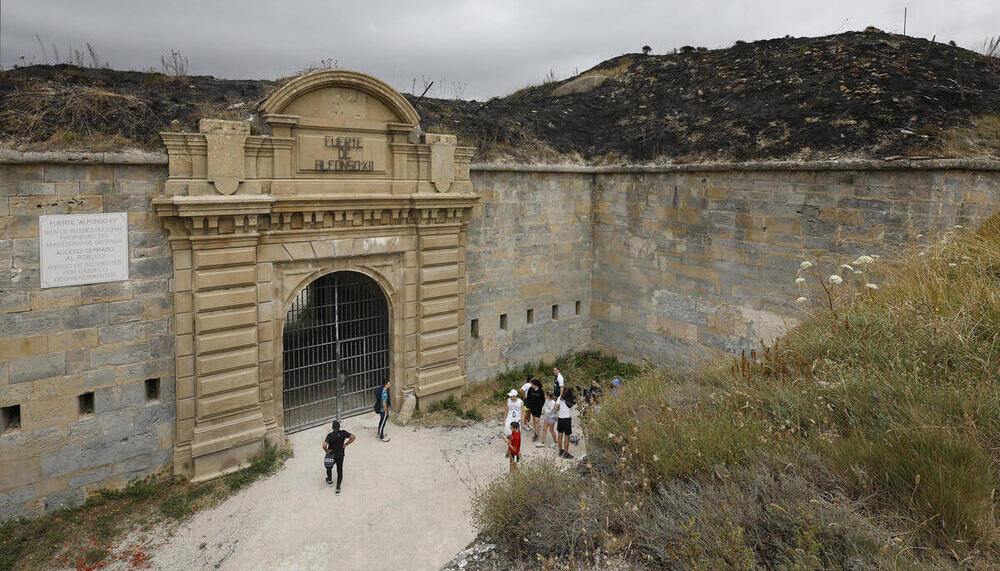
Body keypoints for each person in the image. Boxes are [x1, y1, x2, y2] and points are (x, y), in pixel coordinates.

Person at [323, 420, 355, 494]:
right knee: (339, 470)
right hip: (340, 454)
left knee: (329, 466)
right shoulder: (343, 433)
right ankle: (338, 488)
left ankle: (330, 480)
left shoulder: (330, 435)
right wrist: (345, 444)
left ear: (332, 427)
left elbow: (324, 445)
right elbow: (353, 437)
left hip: (332, 455)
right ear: (339, 427)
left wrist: (327, 451)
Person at [555, 387, 575, 459]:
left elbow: (556, 407)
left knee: (560, 435)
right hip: (567, 419)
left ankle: (560, 451)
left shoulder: (560, 397)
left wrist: (560, 411)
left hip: (560, 418)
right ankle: (566, 453)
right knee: (567, 436)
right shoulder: (570, 398)